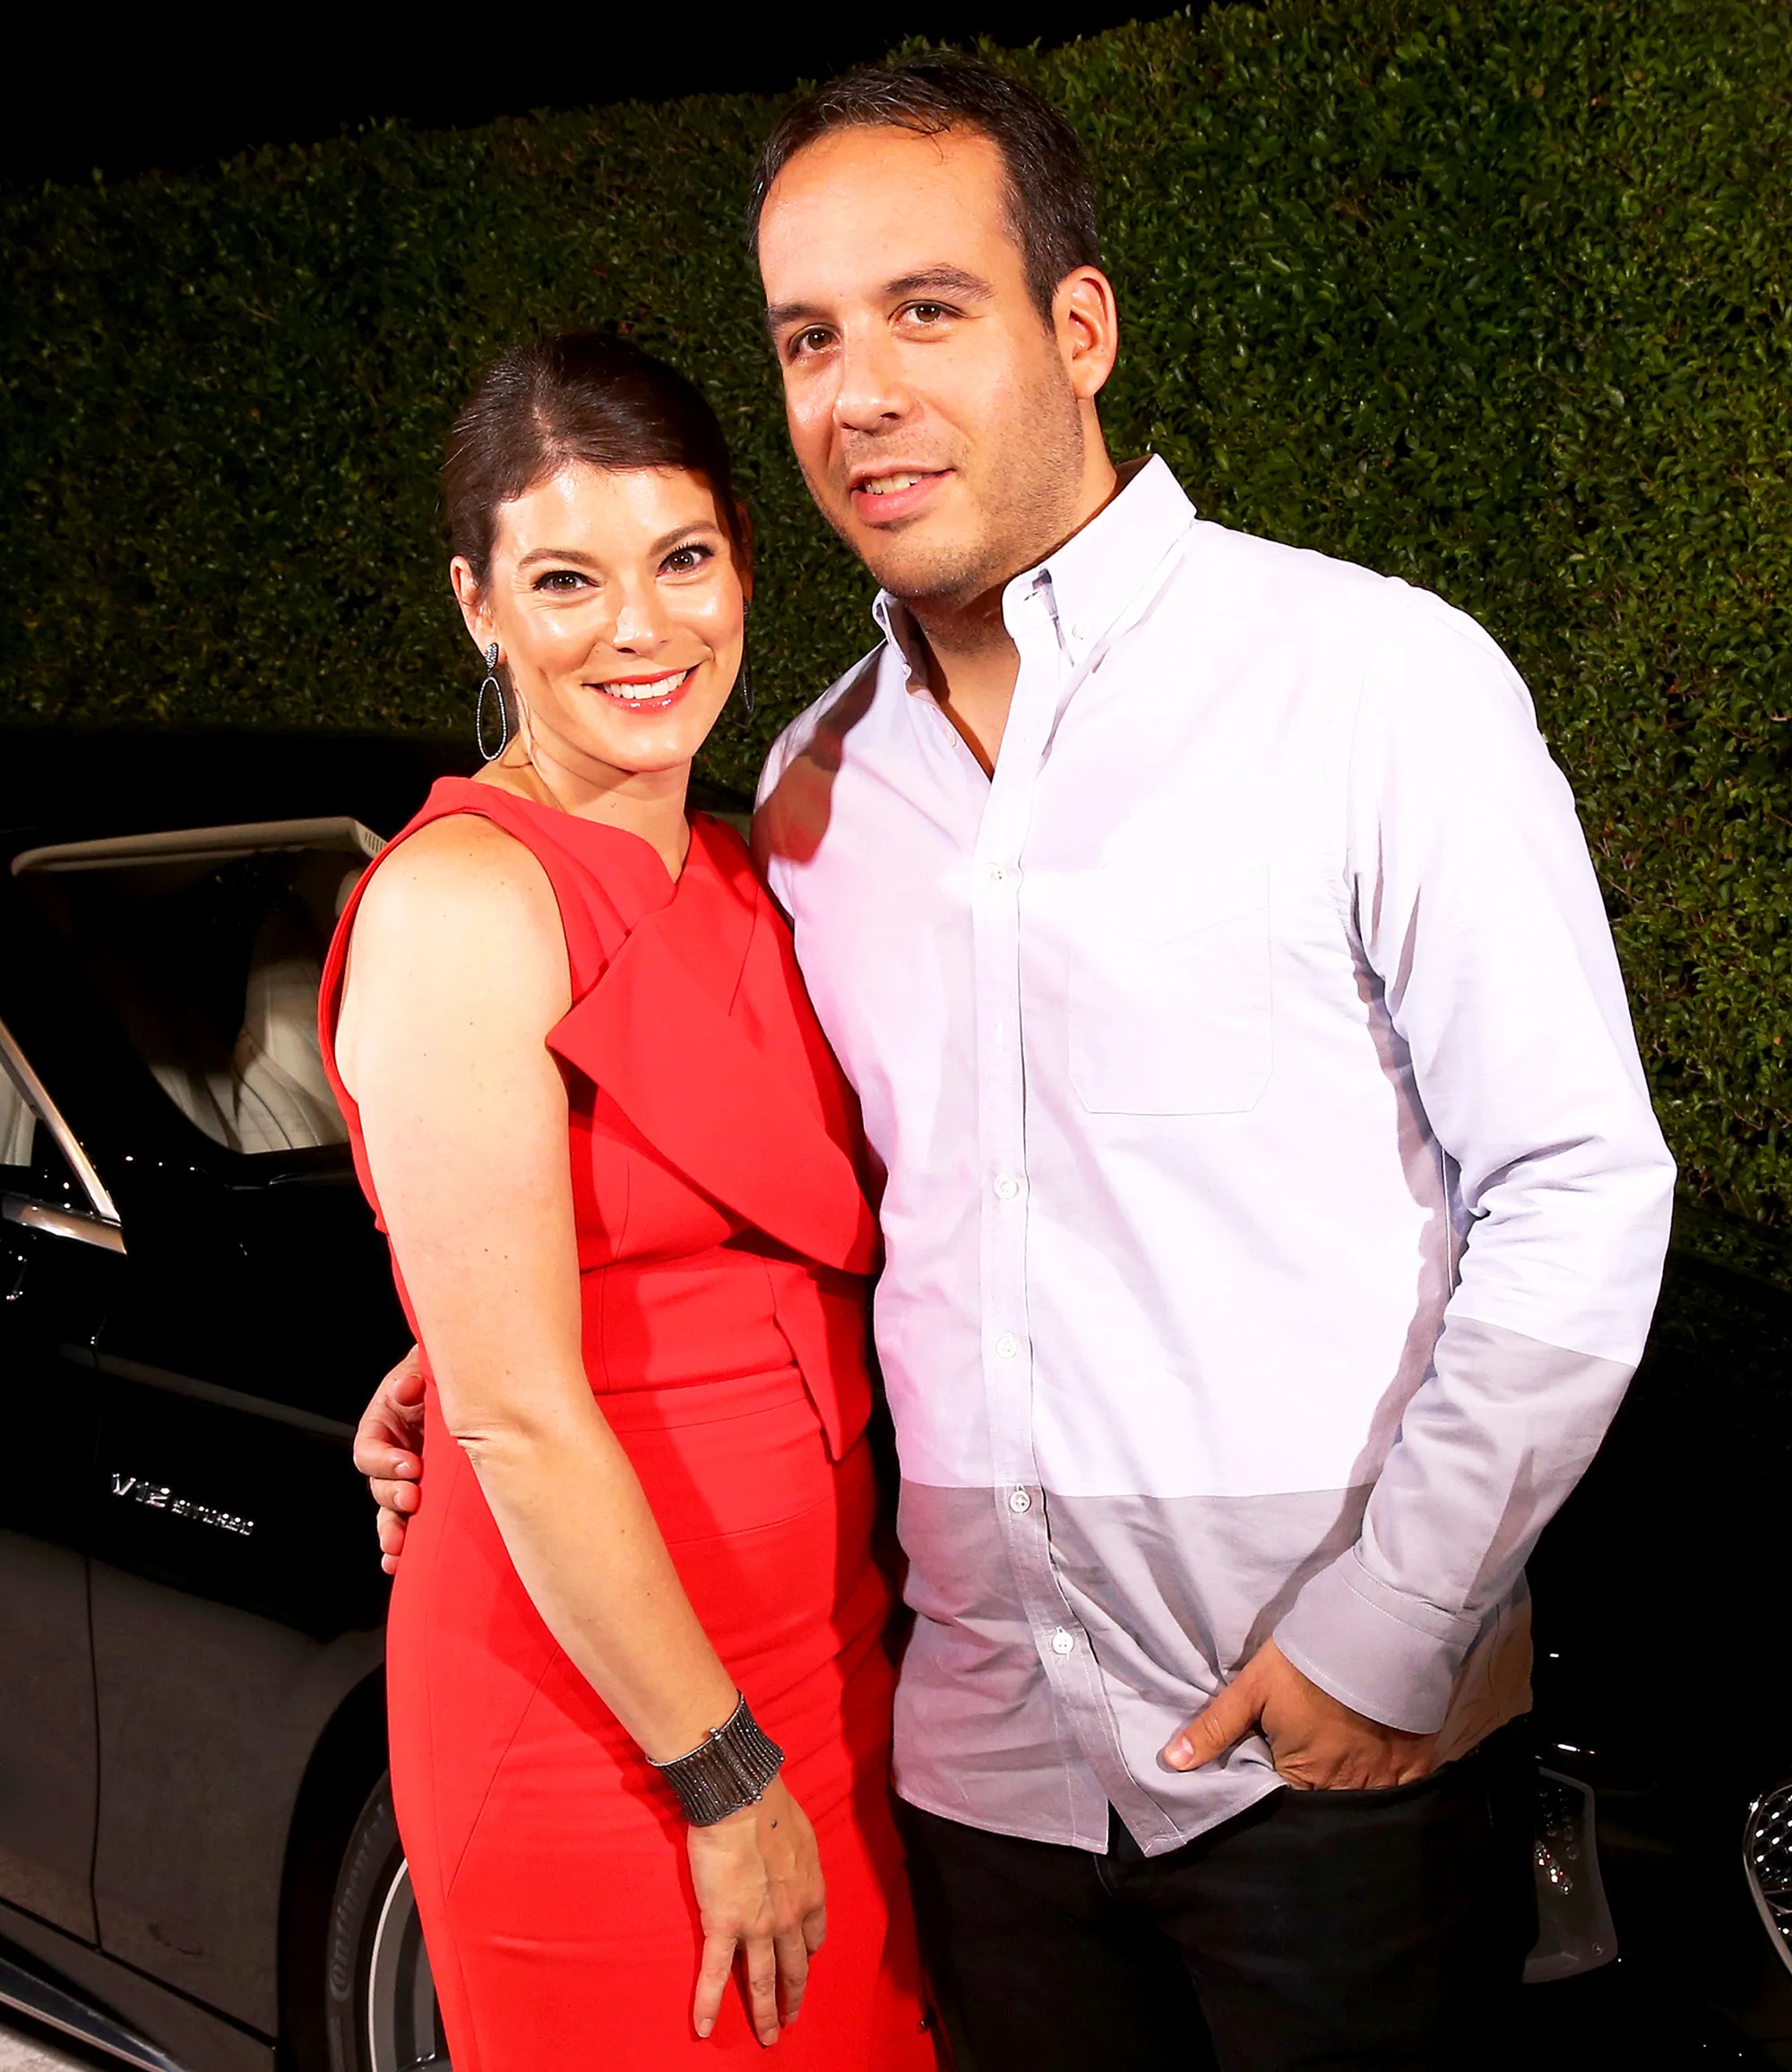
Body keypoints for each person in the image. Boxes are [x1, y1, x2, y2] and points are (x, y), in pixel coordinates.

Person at [359, 60, 1676, 2071]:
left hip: (1322, 1746)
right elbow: (792, 1198)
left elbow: (1579, 1184)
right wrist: (472, 1358)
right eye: (809, 335)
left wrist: (1387, 1622)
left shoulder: (1368, 682)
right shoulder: (805, 791)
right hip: (975, 1774)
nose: (859, 388)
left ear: (1078, 327)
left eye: (926, 308)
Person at [320, 331, 936, 2070]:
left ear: (742, 556)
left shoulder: (751, 868)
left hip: (828, 1662)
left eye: (680, 560)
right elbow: (518, 1416)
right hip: (611, 1721)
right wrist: (721, 1774)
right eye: (566, 580)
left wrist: (436, 1344)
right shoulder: (464, 901)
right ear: (479, 608)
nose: (642, 628)